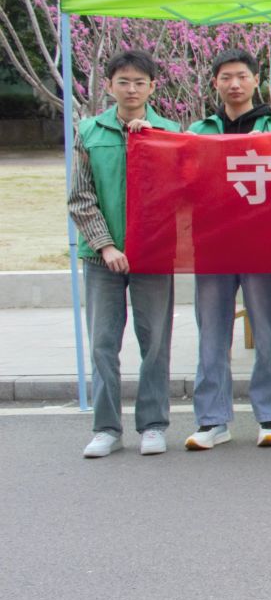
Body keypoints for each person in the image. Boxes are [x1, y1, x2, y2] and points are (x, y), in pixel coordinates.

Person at [71, 50, 183, 459]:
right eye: (124, 82)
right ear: (110, 86)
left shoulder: (169, 131)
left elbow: (181, 193)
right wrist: (106, 245)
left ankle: (153, 424)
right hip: (102, 257)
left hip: (153, 256)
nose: (131, 89)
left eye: (140, 82)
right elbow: (80, 197)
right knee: (103, 342)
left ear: (153, 87)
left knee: (154, 341)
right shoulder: (89, 130)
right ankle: (106, 427)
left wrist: (151, 141)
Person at [186, 49, 271, 450]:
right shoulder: (199, 130)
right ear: (215, 82)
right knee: (211, 333)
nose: (234, 84)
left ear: (256, 80)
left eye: (242, 76)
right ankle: (212, 420)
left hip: (263, 244)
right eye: (226, 76)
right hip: (213, 245)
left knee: (269, 333)